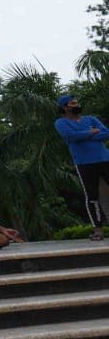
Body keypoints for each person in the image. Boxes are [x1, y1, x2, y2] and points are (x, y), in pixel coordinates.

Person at [54, 94, 109, 241]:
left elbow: (106, 133)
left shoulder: (91, 119)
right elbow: (71, 136)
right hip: (84, 163)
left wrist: (84, 135)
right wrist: (92, 132)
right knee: (92, 196)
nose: (77, 104)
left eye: (77, 102)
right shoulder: (61, 122)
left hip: (105, 159)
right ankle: (98, 230)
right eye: (73, 103)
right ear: (65, 107)